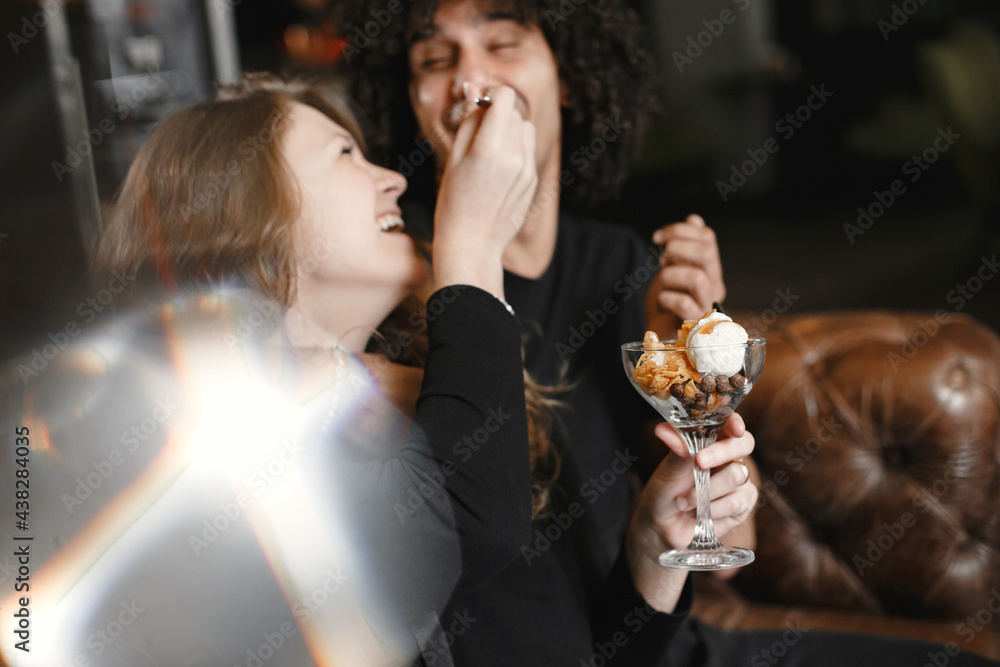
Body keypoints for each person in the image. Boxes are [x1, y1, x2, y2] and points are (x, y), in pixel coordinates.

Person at [331, 1, 1000, 665]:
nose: (470, 79)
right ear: (412, 102)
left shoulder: (620, 263)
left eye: (503, 44)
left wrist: (695, 365)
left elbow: (728, 551)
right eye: (433, 60)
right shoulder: (395, 271)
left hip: (653, 632)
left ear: (569, 80)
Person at [0, 72, 547, 667]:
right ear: (251, 208)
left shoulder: (379, 418)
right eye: (344, 154)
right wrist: (470, 245)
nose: (394, 179)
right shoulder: (184, 430)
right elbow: (469, 518)